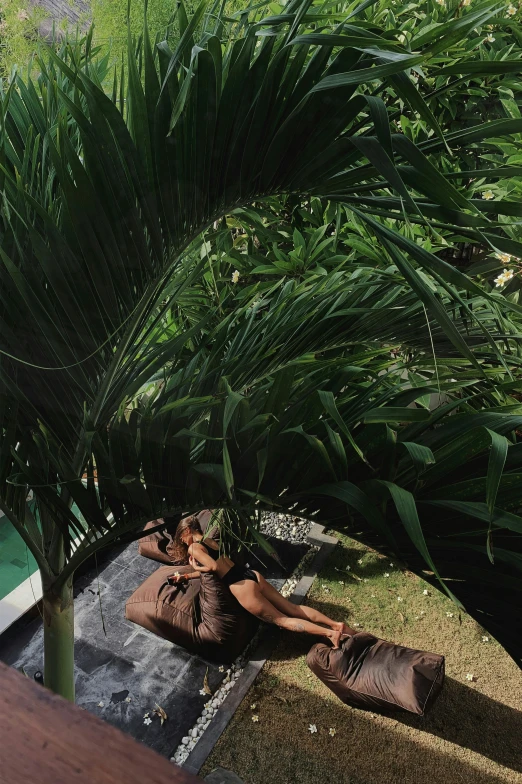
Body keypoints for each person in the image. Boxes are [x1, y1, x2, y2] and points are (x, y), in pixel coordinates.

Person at [169, 515, 356, 648]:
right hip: (250, 575)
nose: (182, 541)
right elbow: (220, 564)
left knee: (282, 620)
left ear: (187, 530)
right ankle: (335, 624)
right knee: (292, 608)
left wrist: (196, 565)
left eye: (181, 537)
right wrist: (186, 576)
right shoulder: (210, 541)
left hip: (241, 588)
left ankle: (331, 634)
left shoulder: (194, 548)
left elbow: (212, 568)